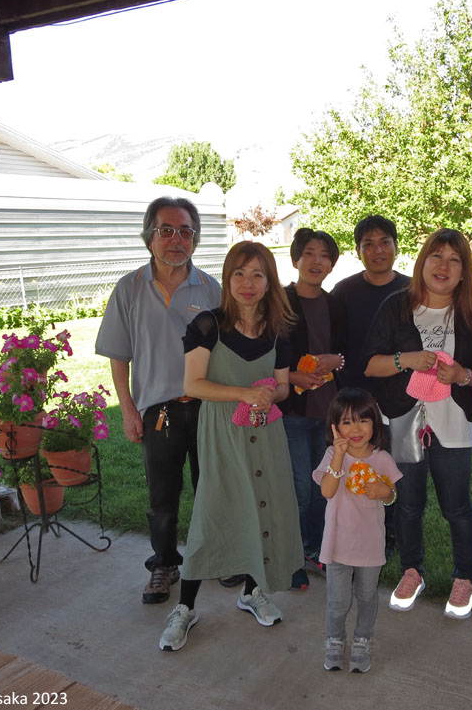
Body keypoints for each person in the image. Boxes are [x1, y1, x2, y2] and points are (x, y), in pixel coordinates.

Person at [158, 242, 302, 651]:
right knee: (212, 512)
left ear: (269, 280)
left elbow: (285, 386)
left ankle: (252, 591)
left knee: (263, 504)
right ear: (227, 278)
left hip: (266, 431)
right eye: (239, 273)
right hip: (222, 432)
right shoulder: (208, 325)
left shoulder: (279, 329)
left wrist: (269, 395)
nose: (247, 283)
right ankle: (185, 608)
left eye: (257, 274)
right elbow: (193, 385)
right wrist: (243, 393)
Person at [95, 196, 221, 605]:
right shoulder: (129, 289)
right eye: (166, 230)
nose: (176, 239)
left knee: (211, 488)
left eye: (185, 231)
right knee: (161, 497)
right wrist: (128, 410)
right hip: (159, 412)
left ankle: (212, 557)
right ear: (149, 236)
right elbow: (119, 354)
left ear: (195, 240)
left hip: (207, 408)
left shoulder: (212, 289)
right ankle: (164, 564)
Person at [364, 228, 472, 619]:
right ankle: (412, 571)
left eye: (454, 259)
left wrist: (464, 376)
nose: (443, 265)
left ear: (465, 271)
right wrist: (406, 360)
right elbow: (369, 364)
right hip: (402, 421)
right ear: (422, 262)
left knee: (457, 508)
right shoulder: (395, 307)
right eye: (436, 256)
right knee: (409, 505)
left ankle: (464, 578)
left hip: (452, 424)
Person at [331, 214, 410, 557]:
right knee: (359, 465)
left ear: (396, 246)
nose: (377, 250)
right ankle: (354, 528)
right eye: (368, 244)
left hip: (401, 398)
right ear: (358, 250)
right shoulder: (344, 292)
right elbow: (335, 345)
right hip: (357, 400)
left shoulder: (411, 289)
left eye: (384, 243)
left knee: (392, 467)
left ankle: (391, 533)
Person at [313, 388, 401, 673]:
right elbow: (327, 491)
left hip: (369, 544)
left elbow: (393, 496)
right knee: (338, 602)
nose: (356, 429)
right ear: (335, 427)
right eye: (347, 422)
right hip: (338, 544)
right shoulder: (330, 454)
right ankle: (335, 640)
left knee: (366, 597)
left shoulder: (382, 458)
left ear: (374, 423)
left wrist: (385, 490)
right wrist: (338, 457)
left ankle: (363, 639)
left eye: (363, 420)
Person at [280, 227, 347, 587]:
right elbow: (267, 356)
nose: (316, 260)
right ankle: (295, 553)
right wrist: (291, 377)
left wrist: (337, 359)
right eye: (309, 253)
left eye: (324, 255)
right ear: (296, 259)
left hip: (328, 411)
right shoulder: (280, 302)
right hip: (292, 412)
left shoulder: (334, 303)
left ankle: (320, 550)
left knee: (324, 486)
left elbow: (346, 353)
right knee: (299, 490)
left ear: (332, 264)